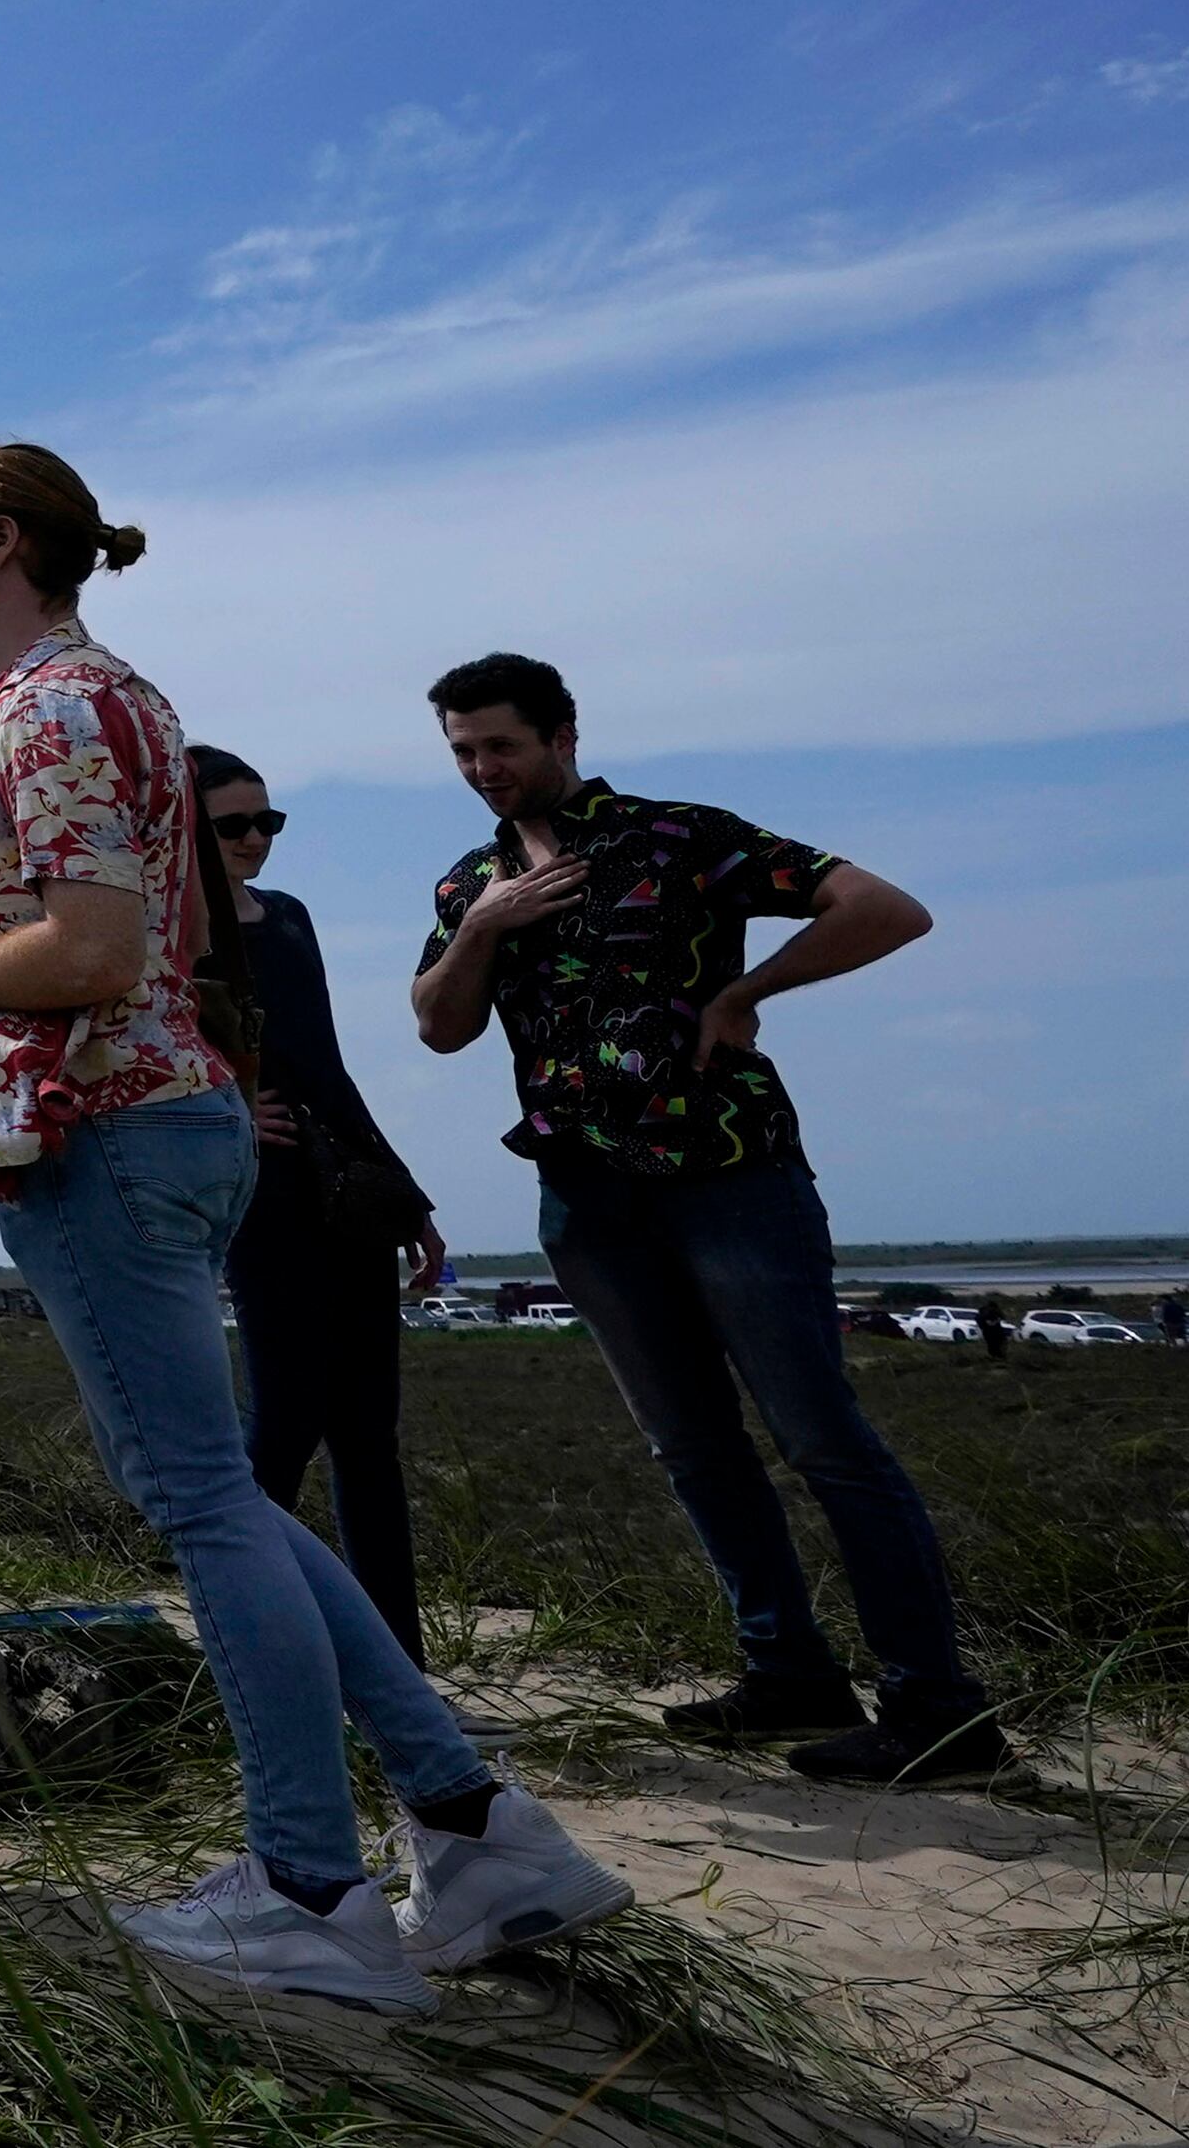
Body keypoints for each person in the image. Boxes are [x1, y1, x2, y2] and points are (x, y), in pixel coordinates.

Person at [0, 447, 622, 2007]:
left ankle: (308, 1886)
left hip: (109, 1130)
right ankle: (477, 1828)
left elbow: (89, 949)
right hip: (161, 1118)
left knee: (205, 1507)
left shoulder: (54, 708)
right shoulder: (120, 699)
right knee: (230, 1493)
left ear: (1, 538)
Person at [405, 653, 996, 1781]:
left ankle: (939, 1710)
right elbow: (438, 1027)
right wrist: (480, 927)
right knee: (690, 1447)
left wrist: (744, 991)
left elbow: (883, 909)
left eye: (501, 747)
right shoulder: (465, 883)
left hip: (725, 1171)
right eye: (463, 753)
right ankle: (786, 1674)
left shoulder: (678, 838)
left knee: (824, 1442)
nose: (483, 770)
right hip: (582, 1192)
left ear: (561, 736)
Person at [193, 743, 446, 1660]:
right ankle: (255, 1651)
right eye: (234, 824)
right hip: (257, 1196)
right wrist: (219, 1109)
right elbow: (130, 1049)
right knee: (285, 1421)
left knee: (367, 1435)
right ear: (182, 823)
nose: (258, 839)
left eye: (269, 821)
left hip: (341, 1189)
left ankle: (397, 1665)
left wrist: (404, 1195)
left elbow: (327, 1064)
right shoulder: (162, 926)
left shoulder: (289, 917)